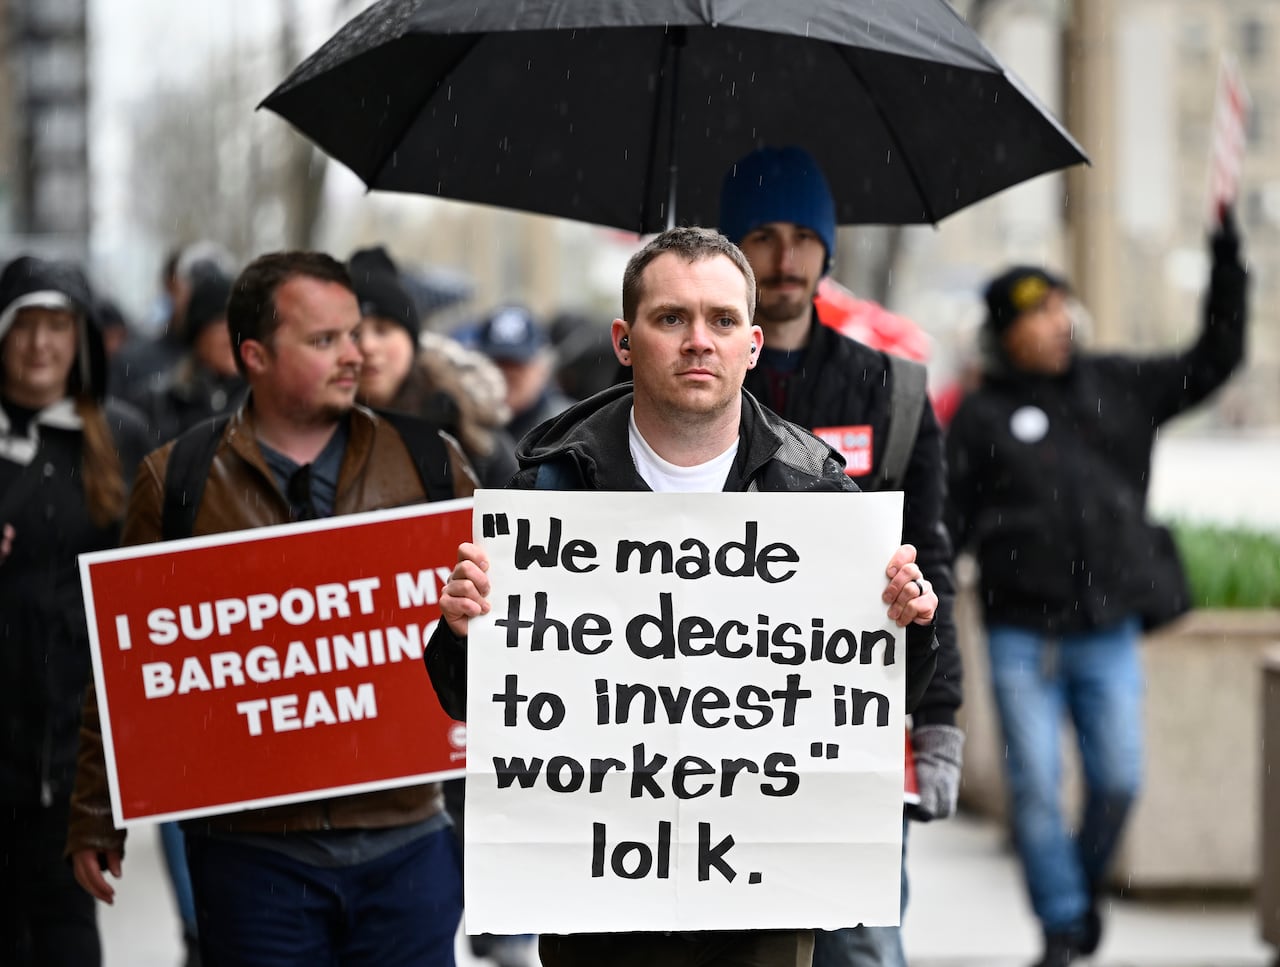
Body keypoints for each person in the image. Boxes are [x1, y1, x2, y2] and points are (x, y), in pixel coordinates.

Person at [424, 226, 941, 967]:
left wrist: (907, 626)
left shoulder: (818, 492)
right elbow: (467, 699)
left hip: (761, 896)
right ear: (624, 339)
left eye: (722, 320)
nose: (699, 340)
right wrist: (461, 630)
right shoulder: (548, 485)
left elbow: (876, 701)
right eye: (672, 318)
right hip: (597, 891)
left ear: (753, 344)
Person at [66, 251, 476, 967]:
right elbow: (124, 661)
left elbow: (503, 645)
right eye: (324, 340)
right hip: (251, 856)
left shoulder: (429, 461)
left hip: (406, 843)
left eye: (355, 334)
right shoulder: (178, 479)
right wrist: (98, 810)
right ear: (252, 355)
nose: (355, 354)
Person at [944, 211, 1248, 967]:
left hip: (1107, 628)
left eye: (1059, 306)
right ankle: (1061, 927)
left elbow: (1217, 357)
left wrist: (1226, 255)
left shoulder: (1120, 385)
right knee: (1037, 790)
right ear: (1003, 334)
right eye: (1035, 314)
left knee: (1118, 778)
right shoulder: (980, 418)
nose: (1055, 322)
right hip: (1020, 635)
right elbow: (946, 522)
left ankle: (1073, 894)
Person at [719, 145, 964, 967]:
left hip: (851, 729)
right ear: (731, 249)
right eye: (762, 235)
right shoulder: (685, 391)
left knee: (859, 942)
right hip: (704, 730)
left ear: (828, 247)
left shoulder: (890, 392)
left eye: (802, 235)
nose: (785, 258)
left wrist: (939, 719)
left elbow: (930, 555)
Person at [0, 256, 149, 966]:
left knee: (67, 937)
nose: (38, 344)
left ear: (81, 337)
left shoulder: (120, 434)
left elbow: (158, 583)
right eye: (23, 324)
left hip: (78, 745)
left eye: (56, 325)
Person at [350, 245, 518, 489]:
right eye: (353, 333)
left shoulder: (467, 424)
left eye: (382, 330)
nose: (367, 346)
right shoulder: (310, 429)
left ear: (412, 341)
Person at [142, 266, 246, 447]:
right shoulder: (163, 403)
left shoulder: (263, 402)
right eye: (221, 325)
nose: (231, 337)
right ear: (198, 336)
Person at [473, 304, 573, 442]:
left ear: (543, 369)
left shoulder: (567, 426)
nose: (505, 373)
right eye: (496, 361)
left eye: (517, 363)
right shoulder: (466, 422)